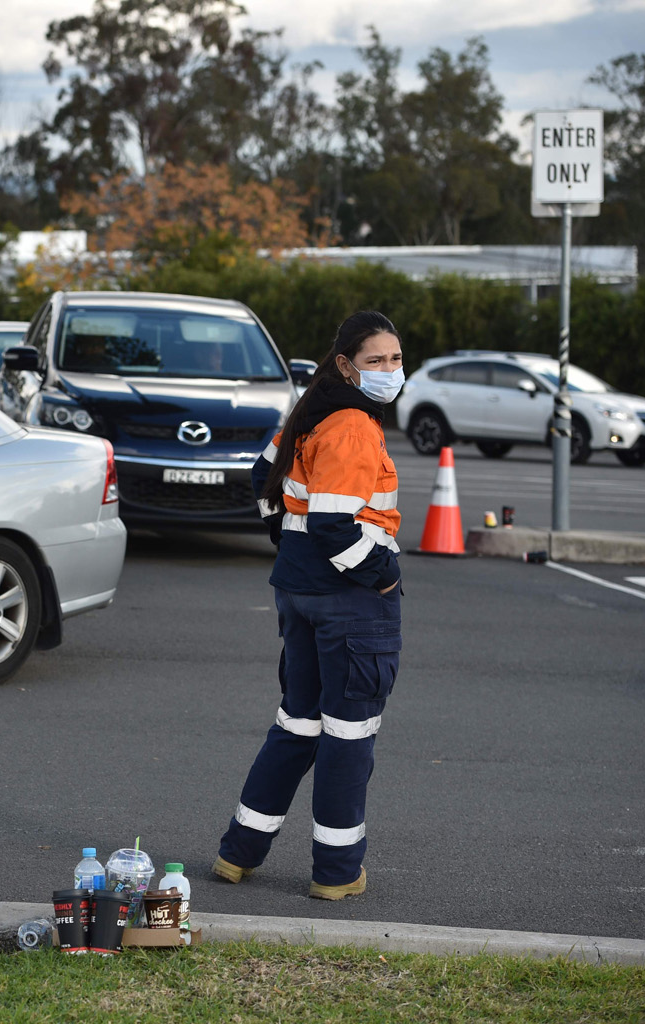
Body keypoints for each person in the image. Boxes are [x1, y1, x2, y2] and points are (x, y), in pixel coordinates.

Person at [213, 310, 405, 901]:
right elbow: (330, 523)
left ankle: (237, 855)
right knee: (349, 737)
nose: (391, 370)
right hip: (347, 602)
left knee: (298, 724)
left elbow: (262, 480)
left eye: (396, 359)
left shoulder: (309, 410)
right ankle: (337, 873)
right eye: (376, 360)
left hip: (297, 592)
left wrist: (285, 540)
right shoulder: (352, 424)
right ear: (346, 365)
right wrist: (383, 575)